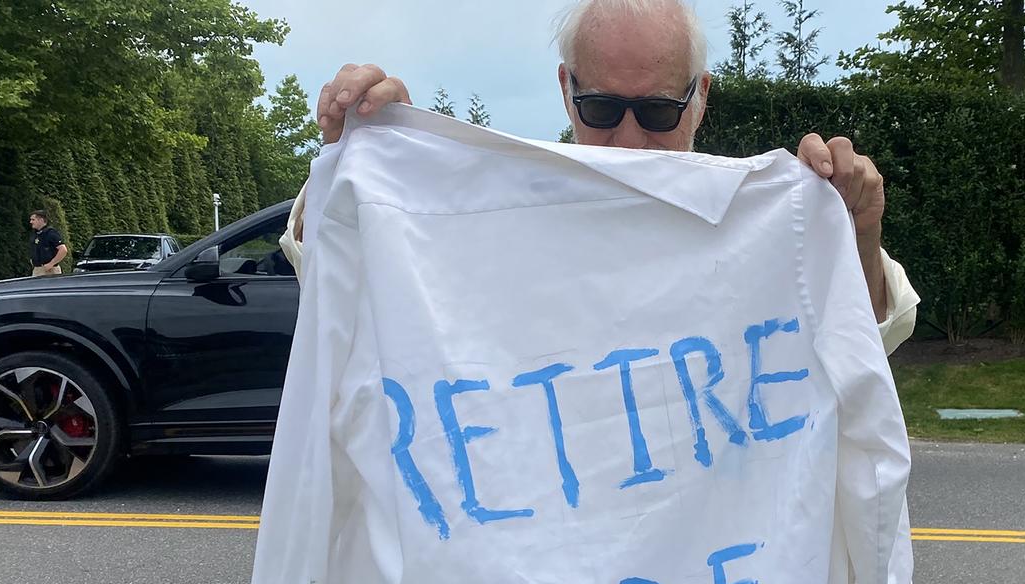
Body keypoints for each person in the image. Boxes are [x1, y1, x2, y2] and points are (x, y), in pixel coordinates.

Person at [280, 0, 919, 354]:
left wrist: (856, 230)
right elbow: (340, 282)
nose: (631, 138)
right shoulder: (502, 216)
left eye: (660, 111)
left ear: (700, 97)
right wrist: (364, 162)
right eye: (603, 109)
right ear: (567, 91)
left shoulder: (759, 222)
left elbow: (865, 345)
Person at [28, 210, 67, 277]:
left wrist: (51, 263)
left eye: (33, 220)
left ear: (41, 220)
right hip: (37, 269)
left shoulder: (50, 233)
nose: (31, 222)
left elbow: (63, 250)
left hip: (50, 270)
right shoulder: (35, 234)